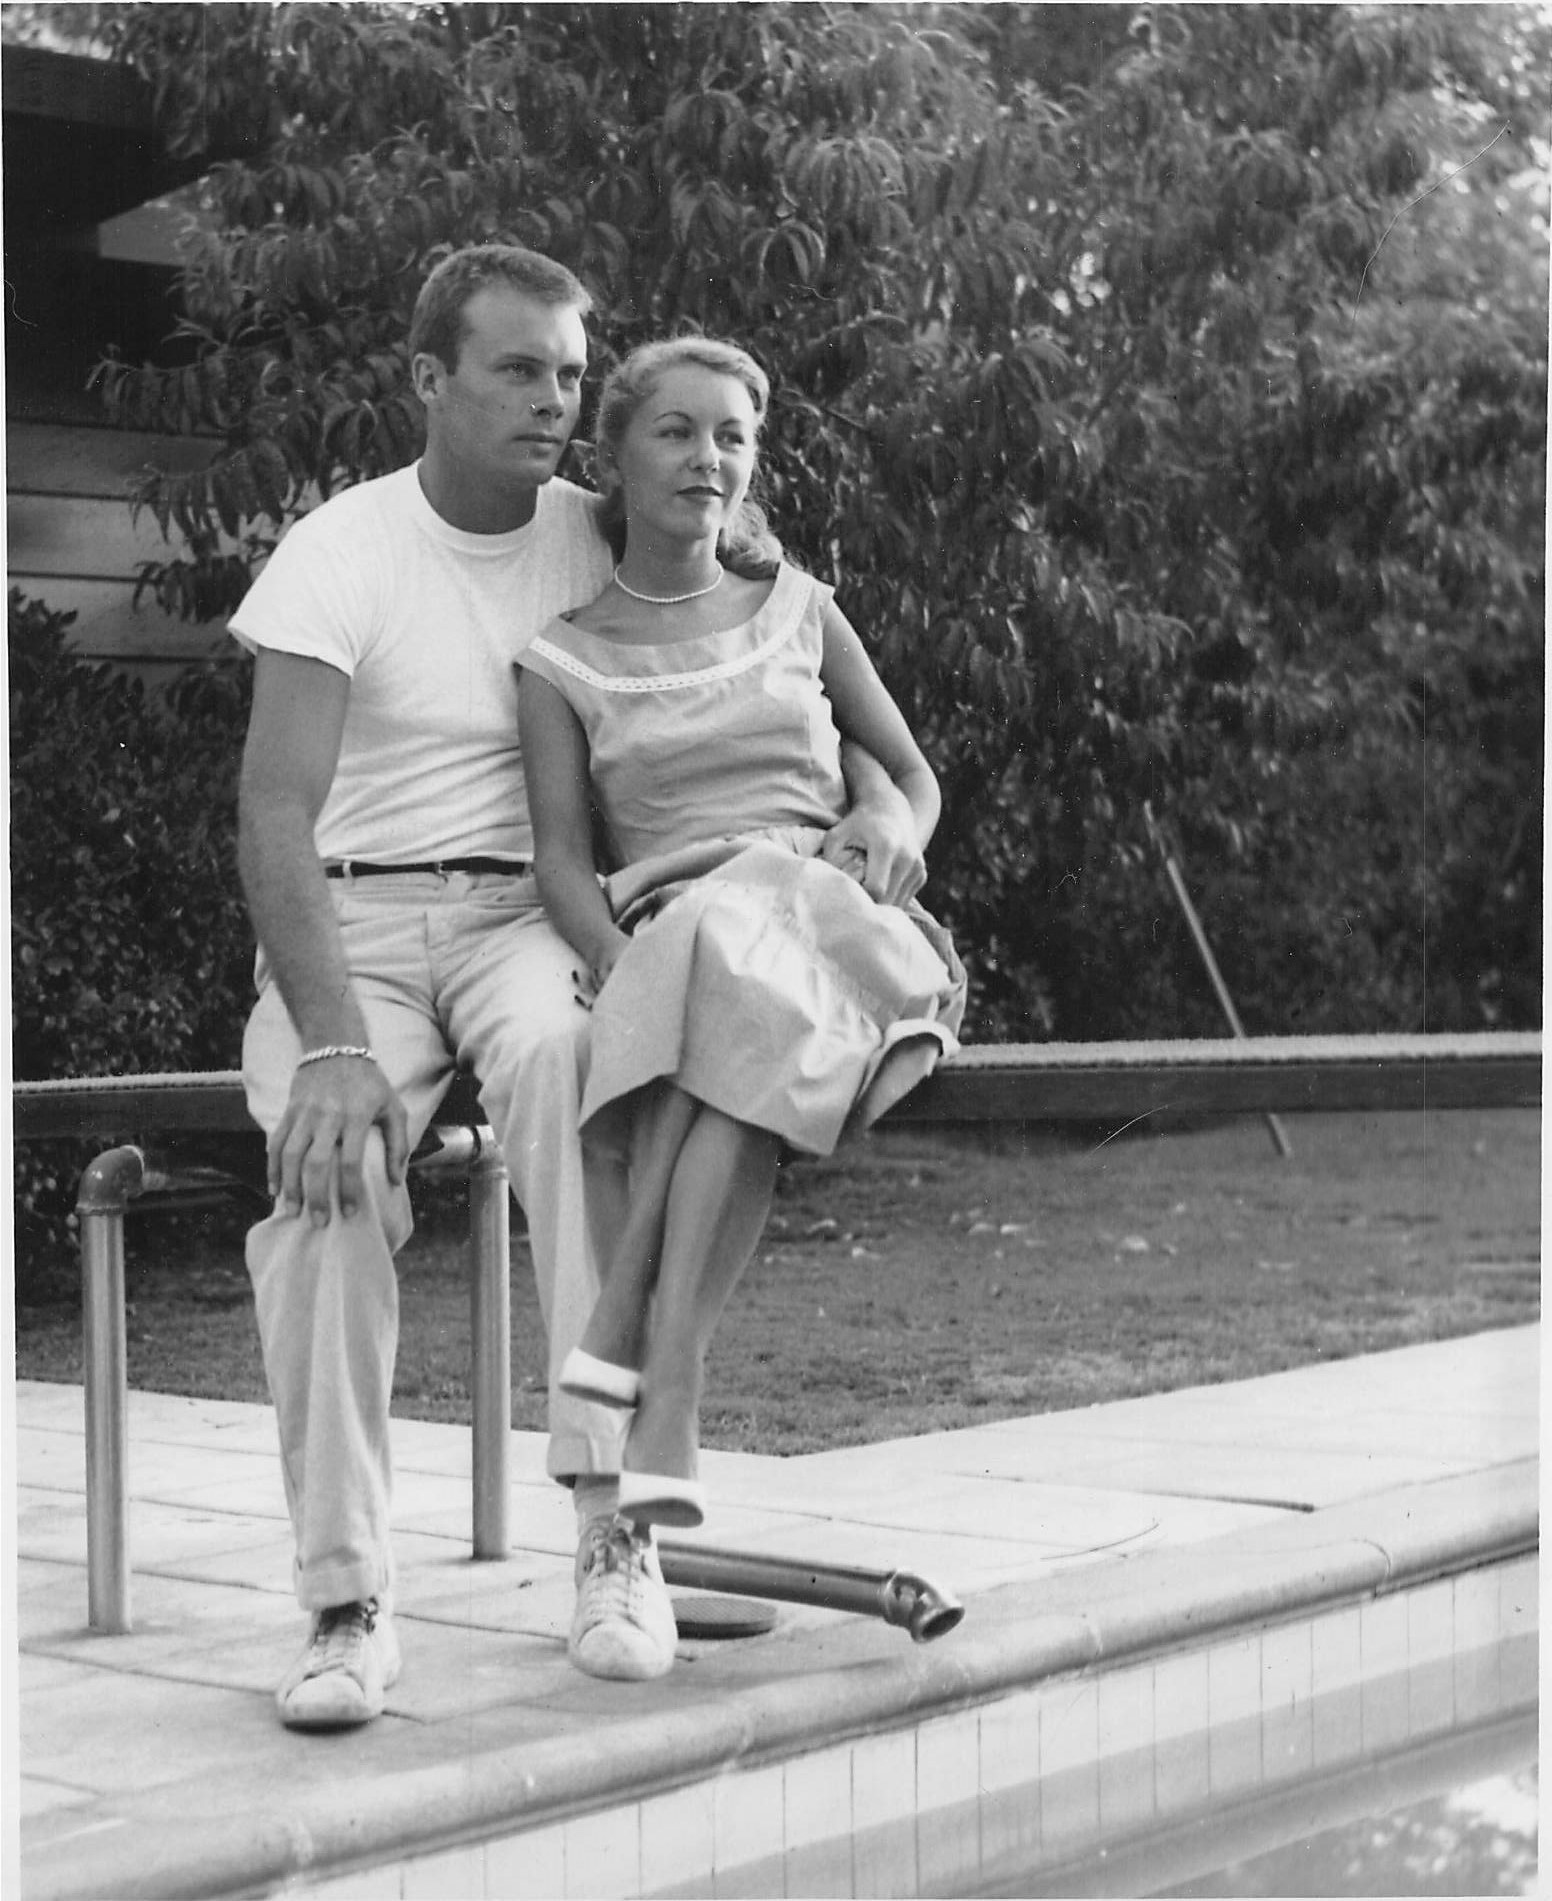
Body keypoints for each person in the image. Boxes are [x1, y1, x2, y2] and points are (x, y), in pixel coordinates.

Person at [230, 246, 928, 1723]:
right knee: (327, 1183)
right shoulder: (341, 554)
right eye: (517, 370)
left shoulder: (598, 521)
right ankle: (346, 1598)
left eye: (566, 371)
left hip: (528, 925)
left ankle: (615, 1535)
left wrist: (878, 805)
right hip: (352, 933)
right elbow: (274, 820)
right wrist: (335, 1046)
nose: (553, 400)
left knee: (574, 1076)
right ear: (430, 380)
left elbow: (770, 634)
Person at [517, 337, 965, 1529]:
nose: (707, 458)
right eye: (676, 430)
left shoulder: (800, 610)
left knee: (741, 936)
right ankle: (668, 1387)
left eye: (732, 435)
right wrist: (620, 965)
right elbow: (562, 861)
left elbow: (910, 778)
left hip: (833, 922)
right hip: (677, 933)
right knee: (719, 968)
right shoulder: (561, 654)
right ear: (614, 455)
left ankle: (634, 1343)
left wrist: (886, 818)